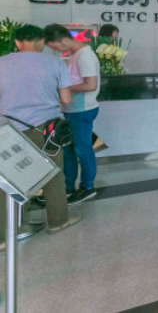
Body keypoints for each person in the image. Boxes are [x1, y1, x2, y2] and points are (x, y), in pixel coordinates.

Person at [0, 24, 80, 237]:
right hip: (47, 130)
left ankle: (6, 234)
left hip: (9, 131)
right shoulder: (55, 63)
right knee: (53, 174)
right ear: (42, 42)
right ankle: (58, 222)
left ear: (17, 42)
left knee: (11, 179)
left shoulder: (2, 63)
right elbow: (66, 99)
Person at [45, 24, 101, 204]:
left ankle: (87, 187)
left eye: (55, 47)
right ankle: (68, 187)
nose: (56, 51)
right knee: (68, 149)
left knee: (82, 149)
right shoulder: (75, 55)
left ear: (63, 40)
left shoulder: (85, 55)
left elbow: (91, 85)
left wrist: (64, 88)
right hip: (72, 110)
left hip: (82, 110)